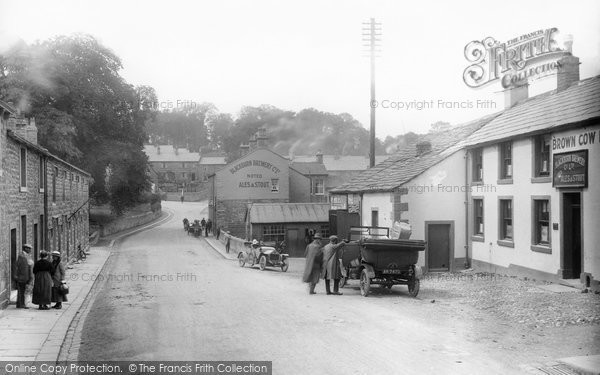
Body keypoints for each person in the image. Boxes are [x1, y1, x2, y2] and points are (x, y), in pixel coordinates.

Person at [13, 244, 34, 309]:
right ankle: (20, 304)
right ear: (25, 248)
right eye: (29, 249)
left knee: (24, 291)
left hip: (26, 276)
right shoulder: (22, 256)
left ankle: (22, 303)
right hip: (22, 276)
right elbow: (19, 267)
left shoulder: (27, 256)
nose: (30, 250)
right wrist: (16, 275)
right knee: (21, 291)